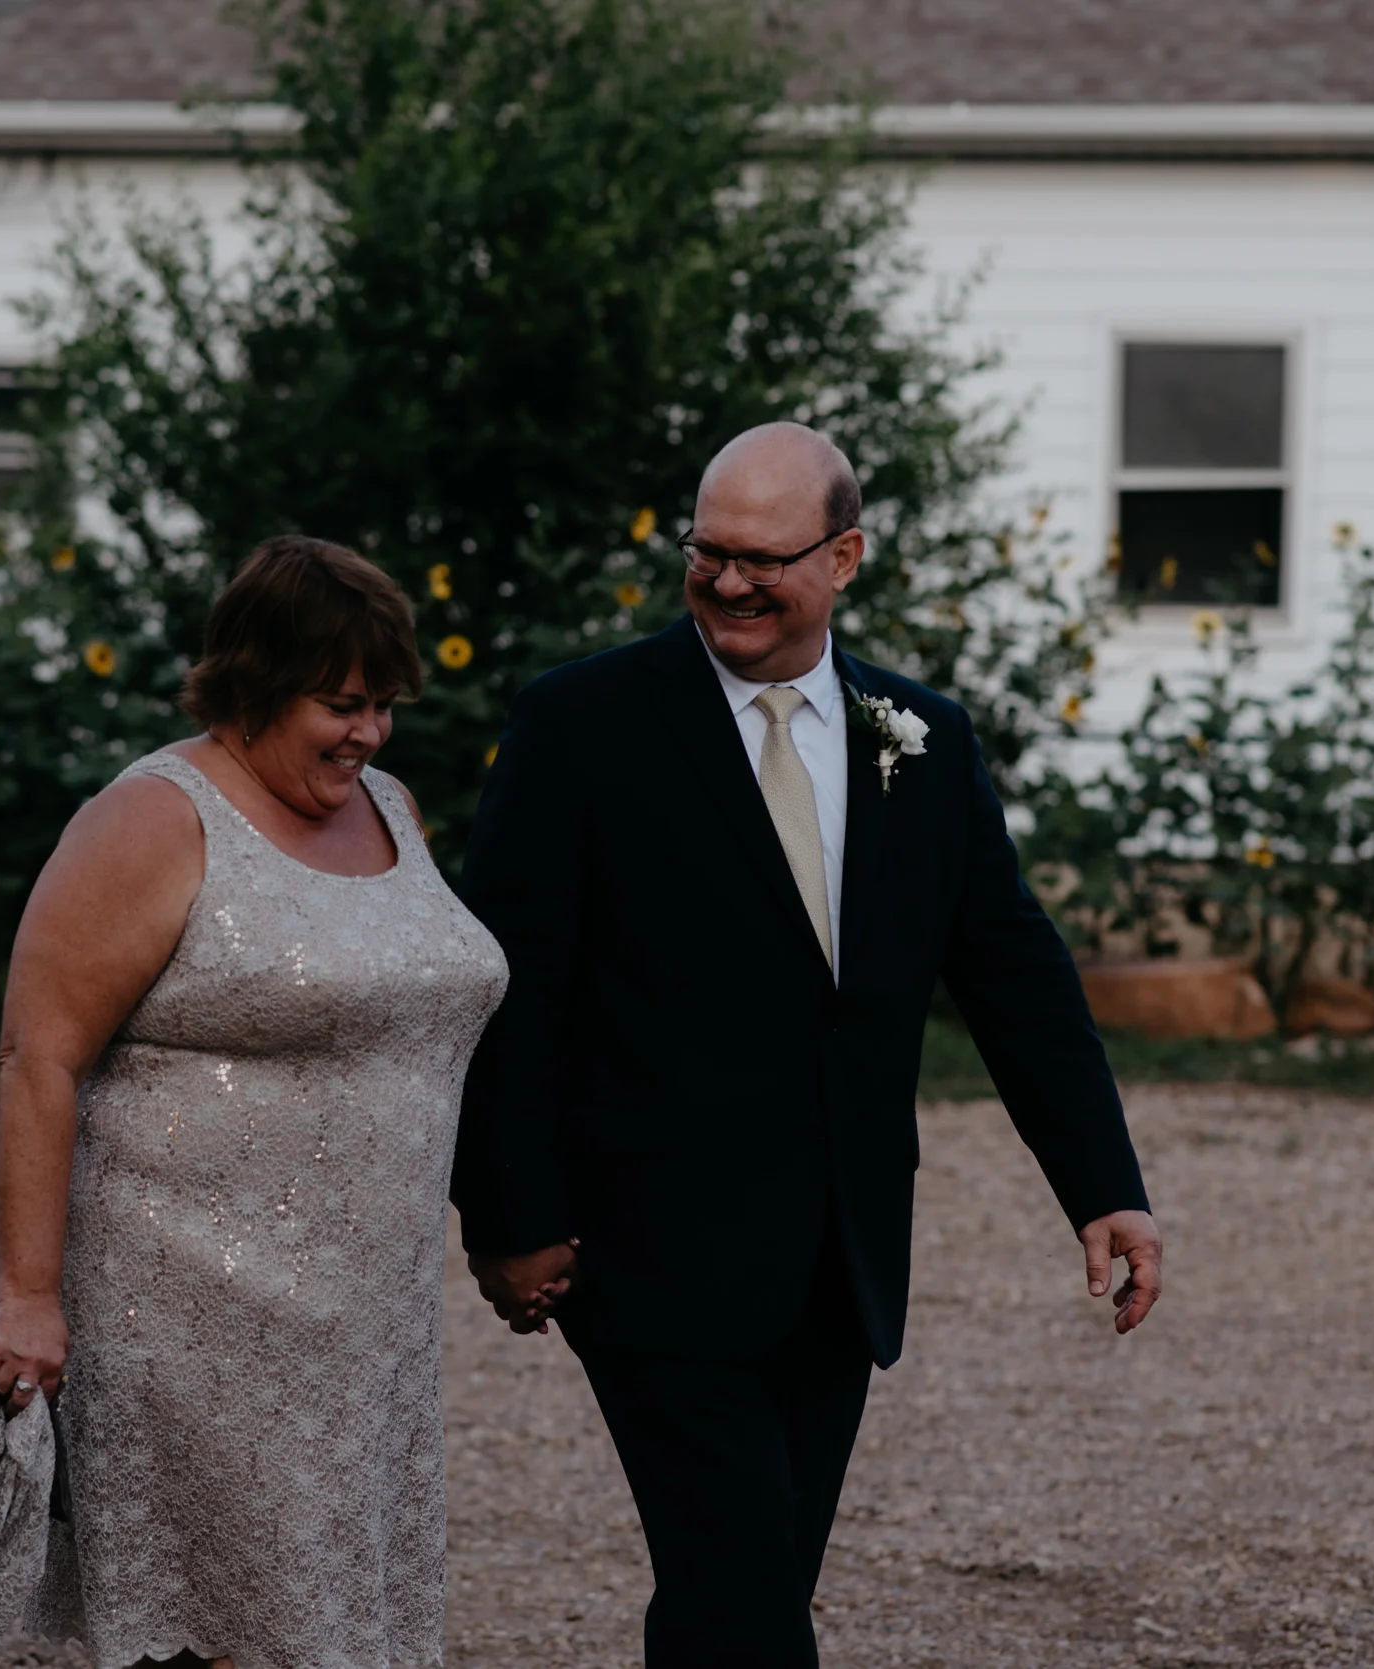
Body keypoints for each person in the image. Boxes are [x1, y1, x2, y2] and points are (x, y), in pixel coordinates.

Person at [451, 422, 1162, 1668]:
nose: (727, 583)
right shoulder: (583, 722)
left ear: (844, 556)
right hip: (645, 1254)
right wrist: (508, 1215)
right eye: (705, 554)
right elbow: (508, 984)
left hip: (839, 1256)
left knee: (746, 1579)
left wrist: (1104, 1187)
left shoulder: (920, 738)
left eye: (762, 559)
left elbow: (1011, 972)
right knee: (743, 1591)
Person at [0, 535, 508, 1669]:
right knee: (227, 1631)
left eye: (383, 707)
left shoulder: (392, 808)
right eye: (340, 703)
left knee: (333, 1614)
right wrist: (28, 1293)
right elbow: (37, 1058)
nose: (367, 732)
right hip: (191, 1313)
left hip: (370, 1324)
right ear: (255, 681)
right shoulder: (153, 820)